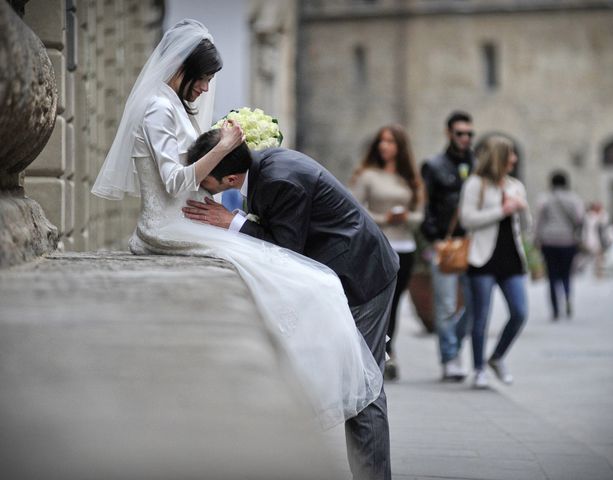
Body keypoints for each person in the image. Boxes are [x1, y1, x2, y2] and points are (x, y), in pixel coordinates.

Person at [91, 17, 384, 465]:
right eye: (204, 79)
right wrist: (222, 145)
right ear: (182, 69)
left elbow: (279, 237)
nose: (206, 90)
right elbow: (173, 181)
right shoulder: (157, 107)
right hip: (166, 225)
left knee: (316, 299)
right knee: (299, 285)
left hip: (362, 268)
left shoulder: (172, 105)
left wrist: (228, 198)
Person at [181, 130, 399, 480]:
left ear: (232, 179)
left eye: (204, 175)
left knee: (363, 384)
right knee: (348, 378)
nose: (199, 183)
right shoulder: (264, 170)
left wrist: (232, 222)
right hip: (341, 271)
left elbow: (286, 249)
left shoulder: (280, 180)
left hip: (363, 275)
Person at [350, 125, 423, 381]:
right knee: (380, 302)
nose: (385, 146)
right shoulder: (368, 175)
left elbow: (419, 215)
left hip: (406, 247)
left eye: (390, 142)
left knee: (395, 304)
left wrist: (407, 217)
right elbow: (355, 208)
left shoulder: (408, 177)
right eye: (382, 141)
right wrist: (385, 218)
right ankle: (376, 352)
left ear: (399, 146)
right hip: (380, 246)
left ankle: (388, 350)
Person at [459, 135, 531, 389]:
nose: (515, 159)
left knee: (520, 312)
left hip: (511, 258)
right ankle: (479, 368)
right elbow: (467, 219)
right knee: (480, 318)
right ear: (499, 157)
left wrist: (521, 208)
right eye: (510, 153)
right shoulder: (475, 185)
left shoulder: (515, 185)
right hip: (482, 258)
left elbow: (525, 227)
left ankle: (497, 357)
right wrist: (503, 210)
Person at [420, 111, 474, 381]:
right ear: (449, 133)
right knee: (445, 304)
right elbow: (425, 205)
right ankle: (450, 357)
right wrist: (434, 238)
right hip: (446, 242)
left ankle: (455, 345)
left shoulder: (477, 164)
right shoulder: (434, 165)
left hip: (474, 243)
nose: (465, 138)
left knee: (475, 303)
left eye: (469, 134)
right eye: (460, 133)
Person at [534, 171, 585, 319]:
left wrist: (537, 239)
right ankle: (568, 297)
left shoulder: (545, 199)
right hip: (568, 241)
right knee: (567, 274)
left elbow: (539, 222)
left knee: (552, 275)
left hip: (549, 241)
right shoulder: (574, 199)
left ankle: (555, 309)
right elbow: (579, 219)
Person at [582, 201, 609, 278]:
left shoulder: (603, 215)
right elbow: (586, 229)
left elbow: (604, 226)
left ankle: (599, 273)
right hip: (591, 238)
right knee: (592, 256)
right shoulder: (589, 216)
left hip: (601, 239)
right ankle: (594, 272)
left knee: (599, 256)